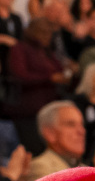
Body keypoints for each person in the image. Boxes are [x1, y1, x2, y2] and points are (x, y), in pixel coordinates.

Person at [6, 18, 69, 156]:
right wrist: (49, 78)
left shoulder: (47, 52)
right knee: (36, 153)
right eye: (43, 33)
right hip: (28, 112)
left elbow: (59, 71)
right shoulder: (20, 49)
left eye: (49, 33)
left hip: (48, 111)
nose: (47, 36)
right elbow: (20, 75)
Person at [24, 100, 87, 181]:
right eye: (70, 124)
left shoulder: (86, 169)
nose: (82, 131)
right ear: (50, 133)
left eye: (81, 125)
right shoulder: (40, 167)